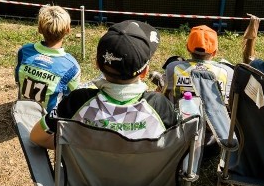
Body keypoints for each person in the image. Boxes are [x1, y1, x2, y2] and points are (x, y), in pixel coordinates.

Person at [30, 20, 178, 150]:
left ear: (97, 64)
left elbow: (37, 136)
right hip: (146, 181)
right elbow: (176, 144)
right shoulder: (159, 105)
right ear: (145, 72)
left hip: (83, 182)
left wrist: (70, 148)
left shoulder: (77, 101)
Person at [15, 5, 81, 113]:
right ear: (68, 30)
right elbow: (72, 96)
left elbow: (17, 79)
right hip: (48, 121)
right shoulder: (72, 66)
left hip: (22, 111)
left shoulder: (23, 51)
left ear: (39, 29)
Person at [158, 24, 234, 104]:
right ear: (215, 52)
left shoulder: (173, 68)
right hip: (216, 116)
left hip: (179, 115)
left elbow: (165, 97)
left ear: (187, 48)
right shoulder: (227, 72)